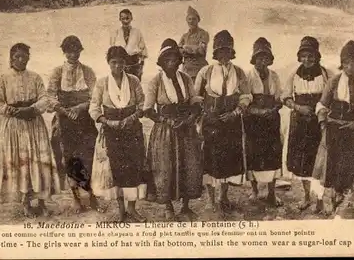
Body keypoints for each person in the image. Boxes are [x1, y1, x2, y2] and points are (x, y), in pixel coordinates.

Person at [0, 43, 61, 218]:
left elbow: (44, 99)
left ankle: (42, 201)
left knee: (39, 160)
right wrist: (10, 110)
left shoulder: (35, 77)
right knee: (21, 161)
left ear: (29, 57)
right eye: (17, 57)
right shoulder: (3, 79)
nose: (21, 60)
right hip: (15, 126)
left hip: (33, 123)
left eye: (24, 56)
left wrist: (31, 109)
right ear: (11, 58)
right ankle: (25, 202)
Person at [144, 38, 203, 221]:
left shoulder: (185, 78)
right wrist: (165, 120)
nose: (172, 62)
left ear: (179, 61)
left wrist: (190, 119)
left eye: (175, 59)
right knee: (165, 167)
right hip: (165, 131)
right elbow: (148, 109)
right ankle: (168, 206)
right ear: (162, 62)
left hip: (186, 129)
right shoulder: (155, 82)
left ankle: (185, 206)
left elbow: (194, 102)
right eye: (167, 59)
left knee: (189, 165)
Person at [194, 30, 252, 215]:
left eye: (227, 51)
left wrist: (236, 112)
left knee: (228, 160)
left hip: (231, 122)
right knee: (210, 160)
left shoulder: (239, 72)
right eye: (220, 52)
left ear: (231, 52)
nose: (224, 55)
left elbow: (246, 95)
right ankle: (211, 200)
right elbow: (196, 97)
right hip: (212, 122)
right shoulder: (206, 71)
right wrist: (203, 116)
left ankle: (223, 196)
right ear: (215, 53)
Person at [313, 40, 354, 217]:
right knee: (331, 166)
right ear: (342, 64)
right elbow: (321, 105)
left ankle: (350, 199)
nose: (350, 67)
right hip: (335, 129)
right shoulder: (334, 81)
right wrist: (324, 124)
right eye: (346, 63)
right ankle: (329, 199)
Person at [89, 46, 147, 222]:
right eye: (114, 62)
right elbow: (94, 107)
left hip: (132, 130)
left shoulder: (134, 81)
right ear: (108, 63)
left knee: (134, 168)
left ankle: (132, 209)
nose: (117, 66)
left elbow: (142, 103)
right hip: (112, 131)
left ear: (125, 63)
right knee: (116, 170)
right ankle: (121, 210)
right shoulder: (102, 83)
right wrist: (107, 121)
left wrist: (132, 118)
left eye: (121, 62)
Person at [46, 35, 104, 214]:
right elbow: (49, 96)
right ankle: (75, 197)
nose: (73, 54)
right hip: (64, 120)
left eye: (76, 50)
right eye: (69, 51)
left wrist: (80, 108)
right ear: (64, 52)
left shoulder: (88, 71)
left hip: (84, 119)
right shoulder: (57, 72)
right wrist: (62, 110)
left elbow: (95, 96)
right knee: (69, 157)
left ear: (80, 51)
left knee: (88, 154)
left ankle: (91, 194)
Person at [281, 36, 332, 212]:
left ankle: (319, 201)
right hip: (300, 125)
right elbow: (285, 97)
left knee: (319, 163)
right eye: (304, 56)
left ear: (317, 56)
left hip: (318, 125)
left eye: (311, 56)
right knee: (302, 164)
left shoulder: (327, 74)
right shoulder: (294, 75)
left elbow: (332, 97)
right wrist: (297, 107)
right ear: (299, 56)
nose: (307, 59)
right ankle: (306, 197)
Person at [243, 38, 284, 207]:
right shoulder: (248, 76)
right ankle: (254, 191)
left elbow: (279, 98)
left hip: (271, 121)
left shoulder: (274, 76)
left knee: (272, 156)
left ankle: (272, 193)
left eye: (265, 57)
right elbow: (245, 100)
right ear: (254, 59)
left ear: (269, 59)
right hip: (253, 122)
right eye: (259, 58)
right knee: (254, 155)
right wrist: (259, 112)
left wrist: (273, 110)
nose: (262, 61)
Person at [109, 9, 148, 80]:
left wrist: (141, 65)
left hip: (134, 63)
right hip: (120, 64)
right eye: (123, 18)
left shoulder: (137, 32)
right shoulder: (115, 33)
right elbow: (112, 50)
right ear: (119, 19)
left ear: (131, 18)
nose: (125, 21)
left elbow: (143, 49)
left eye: (127, 18)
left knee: (135, 85)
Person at [178, 6, 210, 82]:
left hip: (200, 70)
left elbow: (201, 50)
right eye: (189, 19)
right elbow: (179, 51)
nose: (191, 21)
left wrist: (186, 48)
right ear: (187, 21)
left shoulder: (203, 34)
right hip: (186, 71)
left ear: (198, 20)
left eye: (194, 19)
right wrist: (194, 49)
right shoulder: (184, 36)